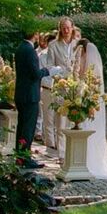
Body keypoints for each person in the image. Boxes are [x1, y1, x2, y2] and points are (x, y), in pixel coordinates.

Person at [75, 39, 107, 180]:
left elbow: (82, 77)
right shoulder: (94, 68)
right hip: (94, 100)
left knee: (86, 129)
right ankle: (87, 161)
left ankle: (86, 162)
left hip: (88, 99)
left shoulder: (88, 68)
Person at [14, 28, 55, 168]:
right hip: (29, 95)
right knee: (28, 128)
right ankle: (24, 157)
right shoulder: (29, 50)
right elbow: (35, 74)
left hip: (21, 93)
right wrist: (48, 71)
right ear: (35, 35)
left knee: (22, 126)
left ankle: (19, 155)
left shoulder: (20, 47)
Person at [46, 16, 76, 156]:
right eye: (63, 28)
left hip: (76, 88)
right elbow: (49, 66)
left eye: (68, 28)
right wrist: (61, 74)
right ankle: (62, 154)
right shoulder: (53, 45)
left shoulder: (78, 44)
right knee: (60, 122)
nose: (65, 30)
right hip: (60, 87)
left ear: (72, 28)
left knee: (75, 120)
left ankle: (74, 152)